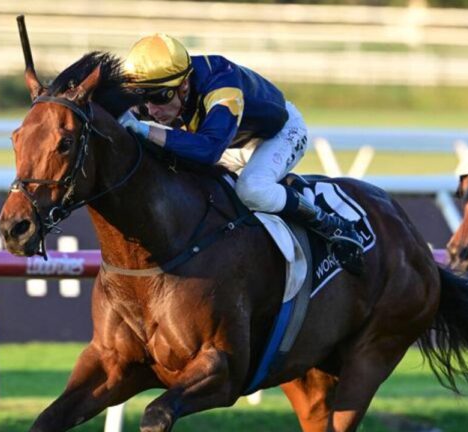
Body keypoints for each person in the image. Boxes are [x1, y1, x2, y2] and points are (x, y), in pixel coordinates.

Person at [117, 33, 363, 272]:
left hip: (276, 135)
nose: (150, 109)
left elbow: (208, 151)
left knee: (252, 189)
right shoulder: (162, 89)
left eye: (159, 97)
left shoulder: (223, 86)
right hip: (228, 142)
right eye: (142, 97)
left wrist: (143, 129)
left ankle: (329, 223)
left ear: (184, 85)